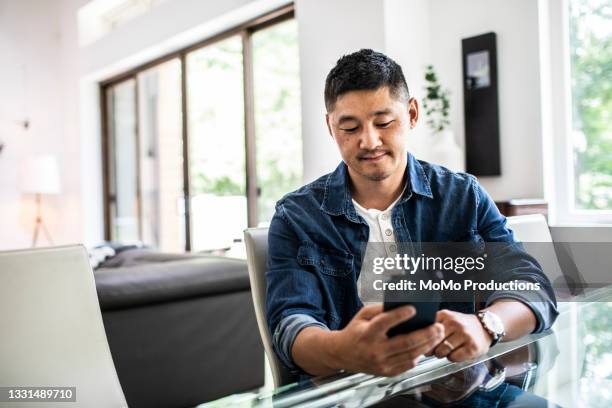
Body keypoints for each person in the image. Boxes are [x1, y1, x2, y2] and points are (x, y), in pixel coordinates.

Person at [265, 49, 557, 378]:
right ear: (331, 128)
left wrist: (486, 325)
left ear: (413, 114)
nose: (369, 141)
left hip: (455, 387)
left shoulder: (462, 196)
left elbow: (532, 286)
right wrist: (343, 348)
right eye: (349, 127)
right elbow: (289, 327)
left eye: (384, 122)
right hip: (350, 394)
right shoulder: (297, 217)